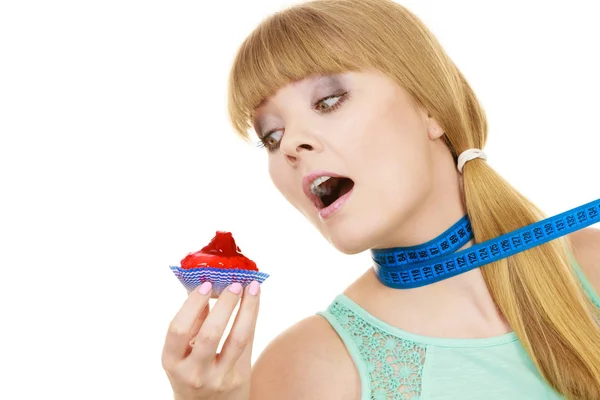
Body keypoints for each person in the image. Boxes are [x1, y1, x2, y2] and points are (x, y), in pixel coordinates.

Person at [161, 0, 600, 398]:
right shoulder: (305, 370)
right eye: (271, 137)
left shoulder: (592, 263)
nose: (291, 144)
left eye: (329, 100)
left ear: (430, 108)